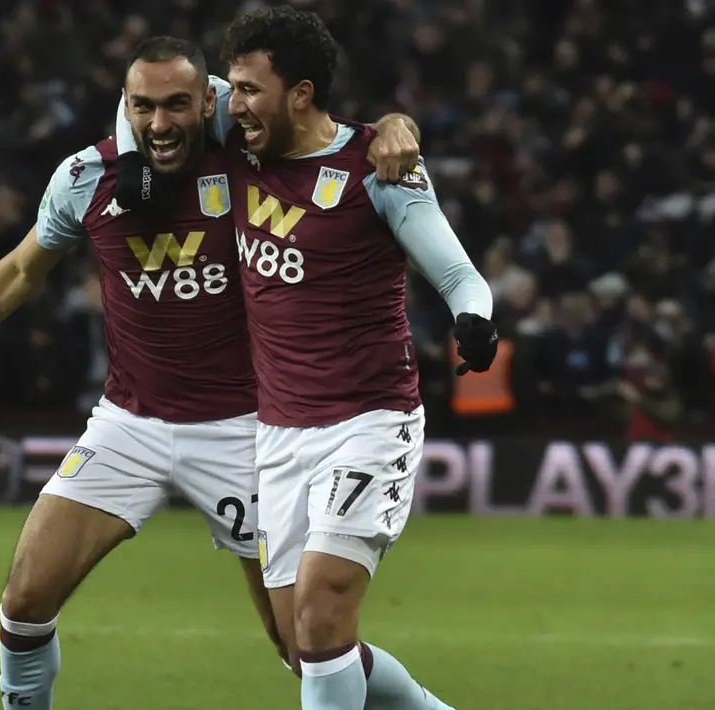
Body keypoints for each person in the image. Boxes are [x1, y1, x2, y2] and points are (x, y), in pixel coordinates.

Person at [0, 36, 420, 710]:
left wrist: (396, 127)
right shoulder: (88, 179)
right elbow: (21, 271)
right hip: (128, 425)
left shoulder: (250, 164)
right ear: (125, 107)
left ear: (209, 104)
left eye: (177, 105)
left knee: (304, 647)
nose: (160, 123)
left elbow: (327, 133)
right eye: (143, 106)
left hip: (247, 432)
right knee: (24, 599)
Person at [112, 8, 498, 710]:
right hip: (279, 433)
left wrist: (473, 320)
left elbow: (458, 275)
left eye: (251, 90)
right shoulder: (236, 142)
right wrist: (137, 161)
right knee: (305, 646)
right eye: (232, 89)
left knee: (321, 612)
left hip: (369, 422)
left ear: (301, 94)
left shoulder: (375, 168)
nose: (234, 104)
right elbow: (139, 99)